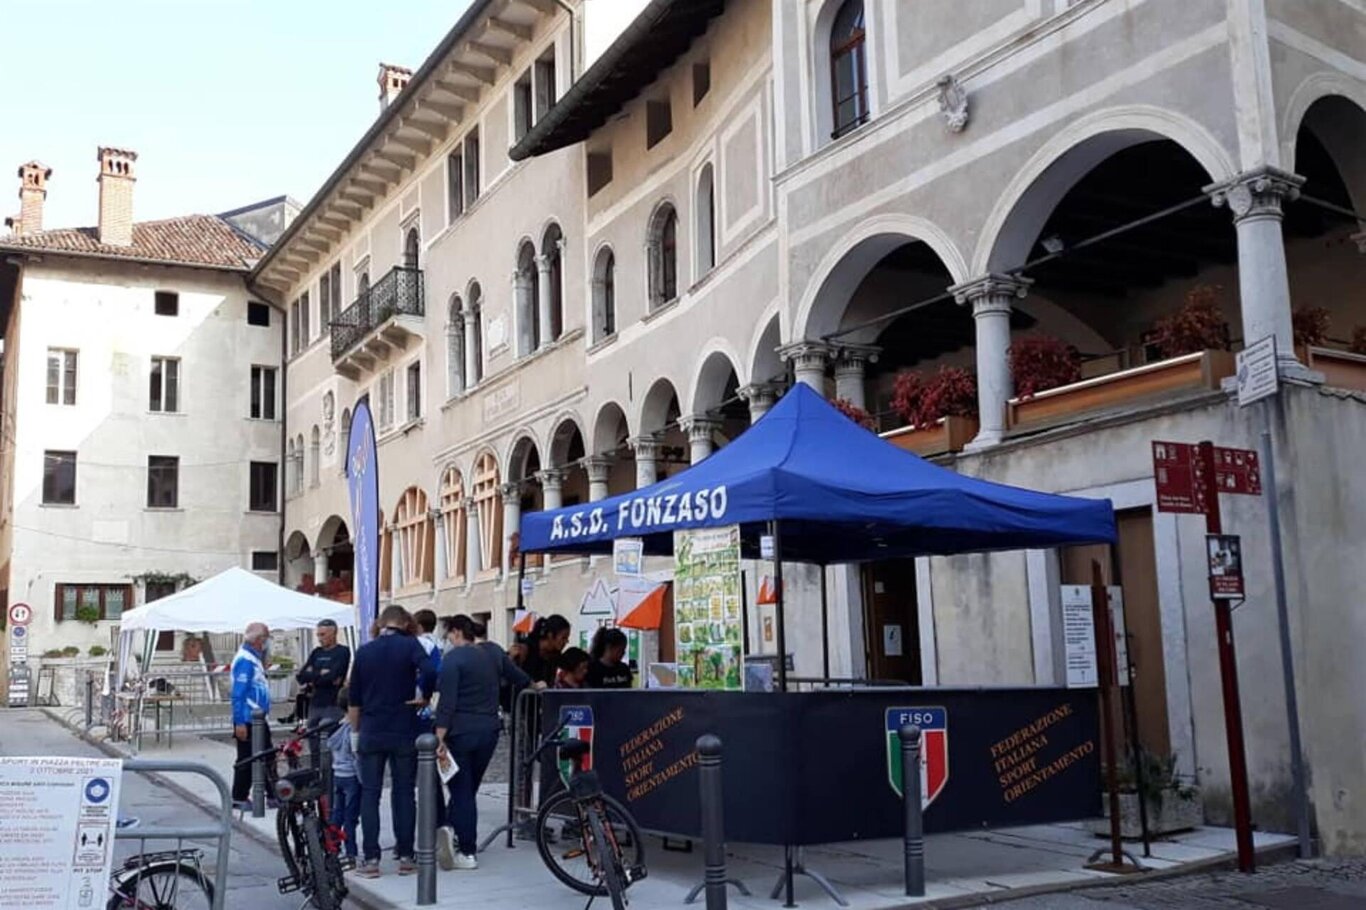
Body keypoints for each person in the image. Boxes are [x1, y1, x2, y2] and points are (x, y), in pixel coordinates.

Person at [433, 614, 531, 871]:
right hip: (489, 730)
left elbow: (447, 703)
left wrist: (439, 736)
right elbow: (520, 677)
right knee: (468, 787)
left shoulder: (453, 659)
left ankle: (466, 849)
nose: (448, 641)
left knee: (462, 791)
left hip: (460, 732)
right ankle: (456, 833)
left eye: (448, 636)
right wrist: (536, 686)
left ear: (456, 632)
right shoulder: (494, 653)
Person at [347, 605, 437, 879]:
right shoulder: (410, 646)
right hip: (403, 728)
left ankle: (371, 858)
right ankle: (406, 856)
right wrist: (425, 695)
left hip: (372, 729)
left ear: (381, 624)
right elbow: (431, 671)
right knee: (404, 793)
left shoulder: (365, 651)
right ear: (405, 623)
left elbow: (354, 698)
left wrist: (355, 733)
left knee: (370, 794)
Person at [230, 622, 272, 809]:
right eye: (266, 638)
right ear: (258, 640)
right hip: (249, 717)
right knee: (248, 757)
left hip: (256, 716)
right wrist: (239, 722)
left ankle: (270, 793)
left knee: (265, 754)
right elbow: (238, 693)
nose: (267, 643)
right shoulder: (246, 660)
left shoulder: (252, 658)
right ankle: (239, 796)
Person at [326, 688, 360, 862]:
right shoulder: (351, 730)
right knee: (350, 816)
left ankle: (332, 846)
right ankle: (351, 851)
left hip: (337, 773)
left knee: (337, 813)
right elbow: (355, 756)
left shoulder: (335, 728)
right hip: (351, 776)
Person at [296, 619, 351, 724]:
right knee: (312, 734)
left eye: (323, 635)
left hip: (333, 703)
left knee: (327, 731)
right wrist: (321, 673)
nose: (320, 638)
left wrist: (313, 676)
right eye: (318, 635)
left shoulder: (342, 651)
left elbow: (334, 677)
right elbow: (301, 676)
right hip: (315, 703)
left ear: (333, 634)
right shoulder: (316, 652)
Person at [517, 615, 571, 688]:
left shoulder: (555, 656)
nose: (566, 642)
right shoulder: (526, 650)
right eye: (563, 638)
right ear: (550, 635)